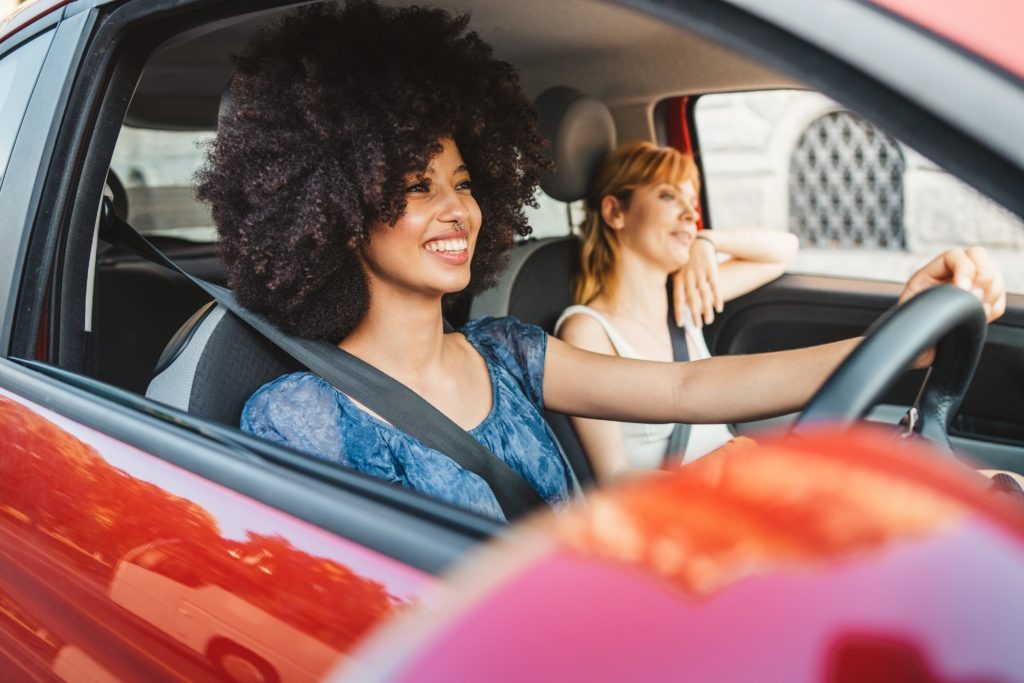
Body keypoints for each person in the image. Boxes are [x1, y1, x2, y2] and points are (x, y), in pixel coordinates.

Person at [197, 1, 1007, 522]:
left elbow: (691, 387)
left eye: (466, 181)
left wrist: (906, 339)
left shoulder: (510, 353)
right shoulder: (297, 414)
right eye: (415, 186)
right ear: (336, 210)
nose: (459, 211)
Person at [556, 142, 799, 479]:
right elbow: (613, 478)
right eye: (669, 196)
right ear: (616, 212)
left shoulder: (685, 298)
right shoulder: (588, 330)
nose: (690, 214)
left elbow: (784, 251)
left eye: (691, 201)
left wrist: (708, 241)